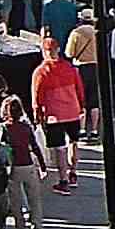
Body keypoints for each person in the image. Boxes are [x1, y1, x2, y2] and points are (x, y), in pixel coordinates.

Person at [29, 40, 86, 191]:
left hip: (54, 115)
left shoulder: (40, 72)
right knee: (73, 142)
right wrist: (81, 106)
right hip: (72, 111)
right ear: (58, 49)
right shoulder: (70, 68)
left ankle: (63, 180)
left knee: (60, 148)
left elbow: (37, 96)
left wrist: (37, 114)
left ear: (43, 51)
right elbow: (79, 89)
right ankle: (73, 173)